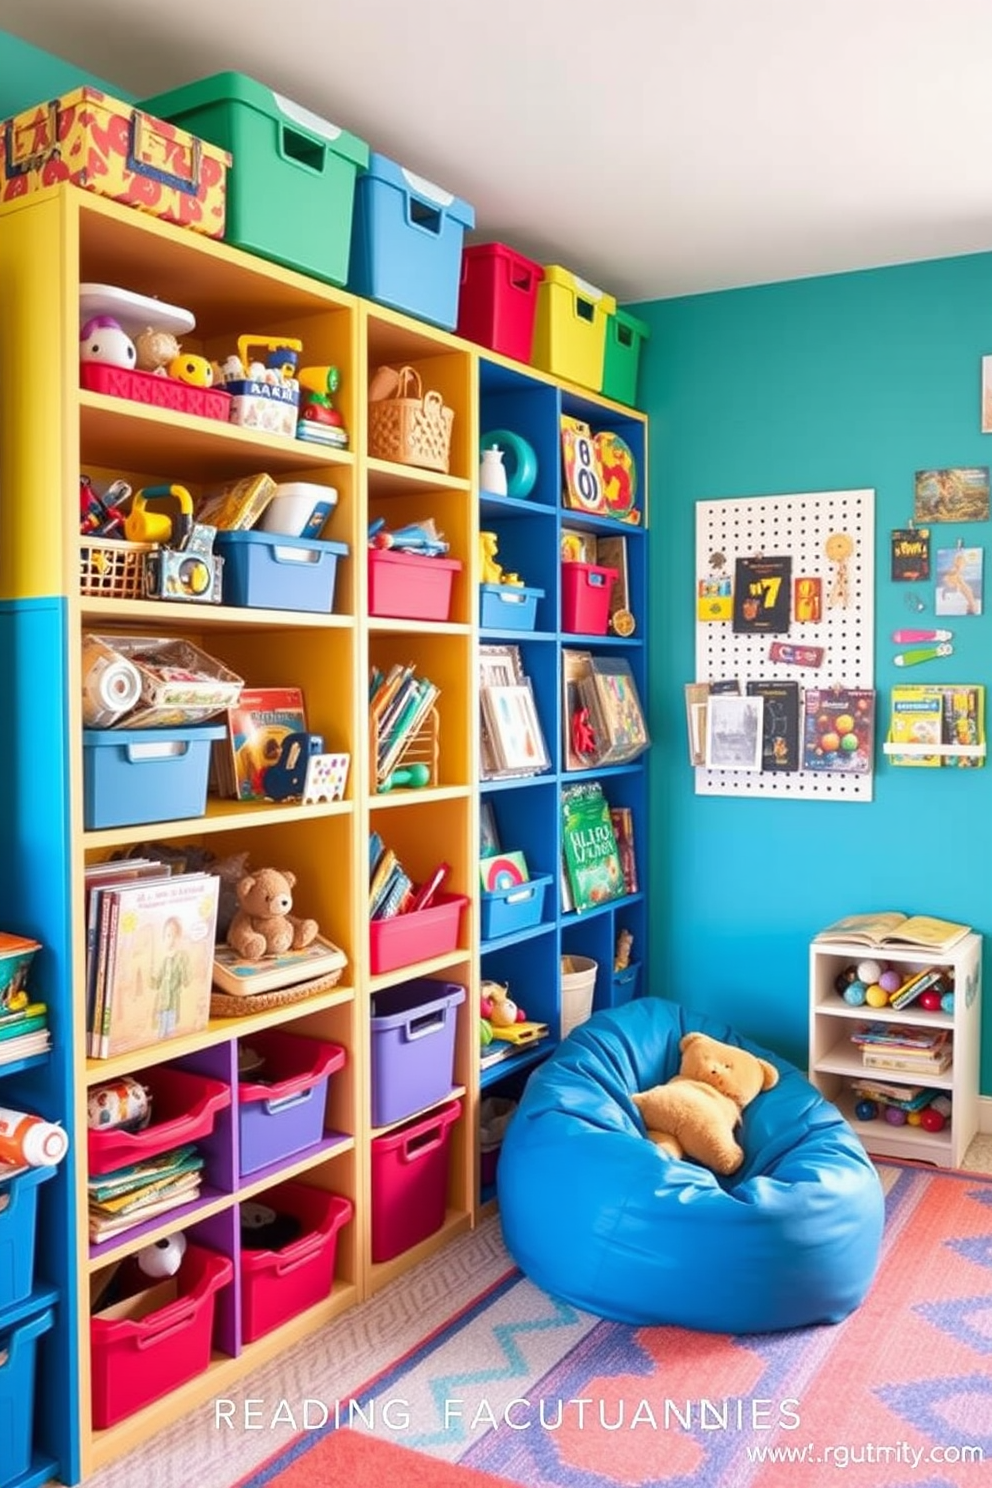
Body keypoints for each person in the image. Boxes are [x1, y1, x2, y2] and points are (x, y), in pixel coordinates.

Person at [151, 916, 190, 1038]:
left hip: (172, 1005)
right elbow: (156, 983)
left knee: (170, 1032)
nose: (172, 939)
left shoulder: (181, 958)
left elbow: (186, 981)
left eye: (175, 936)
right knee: (160, 1033)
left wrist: (183, 964)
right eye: (168, 935)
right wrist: (150, 973)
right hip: (162, 1005)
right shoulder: (164, 961)